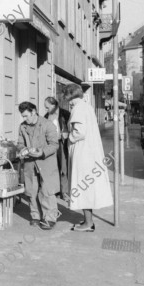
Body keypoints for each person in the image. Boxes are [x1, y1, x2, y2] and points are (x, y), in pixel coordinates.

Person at [64, 83, 113, 232]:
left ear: (71, 96)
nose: (68, 102)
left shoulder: (78, 109)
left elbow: (80, 132)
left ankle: (88, 223)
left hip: (82, 154)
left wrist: (68, 137)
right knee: (86, 188)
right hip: (89, 153)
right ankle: (87, 220)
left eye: (67, 98)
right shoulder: (87, 107)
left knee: (82, 187)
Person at [17, 101, 60, 230]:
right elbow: (19, 142)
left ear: (34, 112)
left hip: (46, 162)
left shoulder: (47, 125)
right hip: (30, 162)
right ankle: (35, 216)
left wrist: (42, 152)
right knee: (31, 190)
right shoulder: (22, 127)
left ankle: (49, 218)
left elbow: (54, 144)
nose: (25, 119)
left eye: (26, 116)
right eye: (23, 116)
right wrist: (23, 149)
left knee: (47, 191)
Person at [43, 97, 71, 200]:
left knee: (64, 168)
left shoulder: (65, 114)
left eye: (47, 107)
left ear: (54, 106)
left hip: (63, 143)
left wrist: (68, 134)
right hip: (51, 145)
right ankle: (56, 190)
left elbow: (72, 127)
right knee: (54, 168)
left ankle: (65, 192)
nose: (46, 109)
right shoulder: (46, 117)